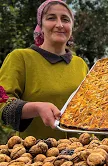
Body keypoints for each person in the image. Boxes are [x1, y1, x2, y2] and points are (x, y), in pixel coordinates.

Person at [0, 0, 88, 139]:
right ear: (40, 25)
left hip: (79, 153)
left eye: (65, 19)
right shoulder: (21, 58)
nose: (59, 24)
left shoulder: (80, 64)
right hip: (35, 155)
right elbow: (2, 103)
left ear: (71, 27)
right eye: (51, 18)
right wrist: (36, 108)